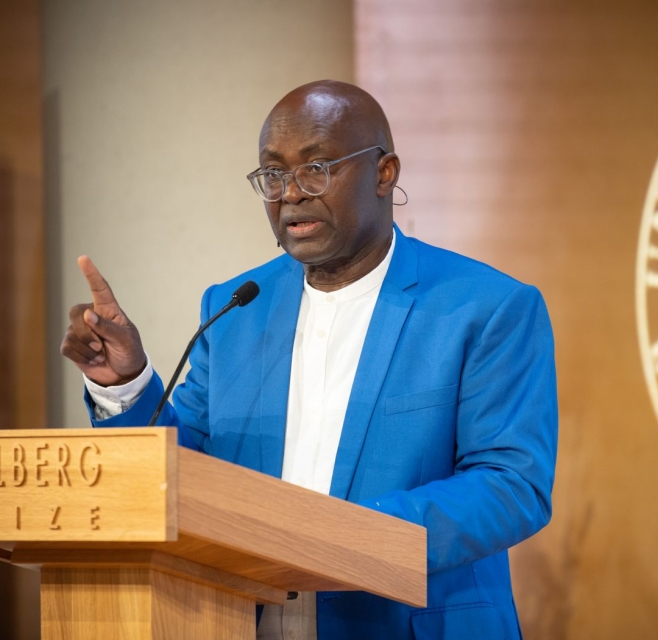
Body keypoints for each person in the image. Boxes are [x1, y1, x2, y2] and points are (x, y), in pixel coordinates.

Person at [60, 80, 558, 640]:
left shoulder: (484, 307)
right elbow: (184, 475)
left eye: (317, 168)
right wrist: (125, 383)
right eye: (273, 174)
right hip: (241, 621)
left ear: (384, 172)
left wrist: (342, 536)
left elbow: (512, 486)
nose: (290, 193)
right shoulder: (236, 307)